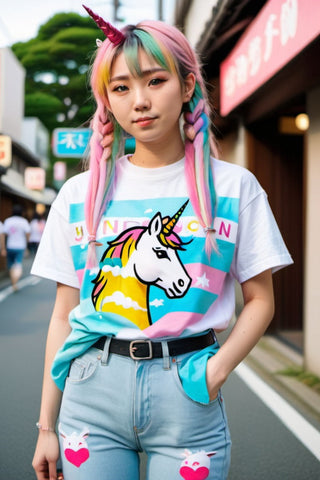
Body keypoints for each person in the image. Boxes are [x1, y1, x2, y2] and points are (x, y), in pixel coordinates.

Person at [31, 6, 293, 480]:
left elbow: (260, 300)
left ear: (188, 85)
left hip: (188, 393)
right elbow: (61, 315)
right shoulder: (79, 195)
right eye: (121, 87)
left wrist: (215, 372)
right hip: (90, 394)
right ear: (107, 100)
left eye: (155, 81)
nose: (139, 102)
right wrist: (46, 423)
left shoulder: (234, 187)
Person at [3, 204, 30, 291]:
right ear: (21, 213)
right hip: (20, 246)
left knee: (11, 265)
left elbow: (5, 233)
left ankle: (13, 283)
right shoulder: (24, 222)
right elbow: (28, 233)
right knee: (18, 265)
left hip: (10, 245)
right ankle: (15, 282)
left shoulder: (8, 221)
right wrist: (27, 245)